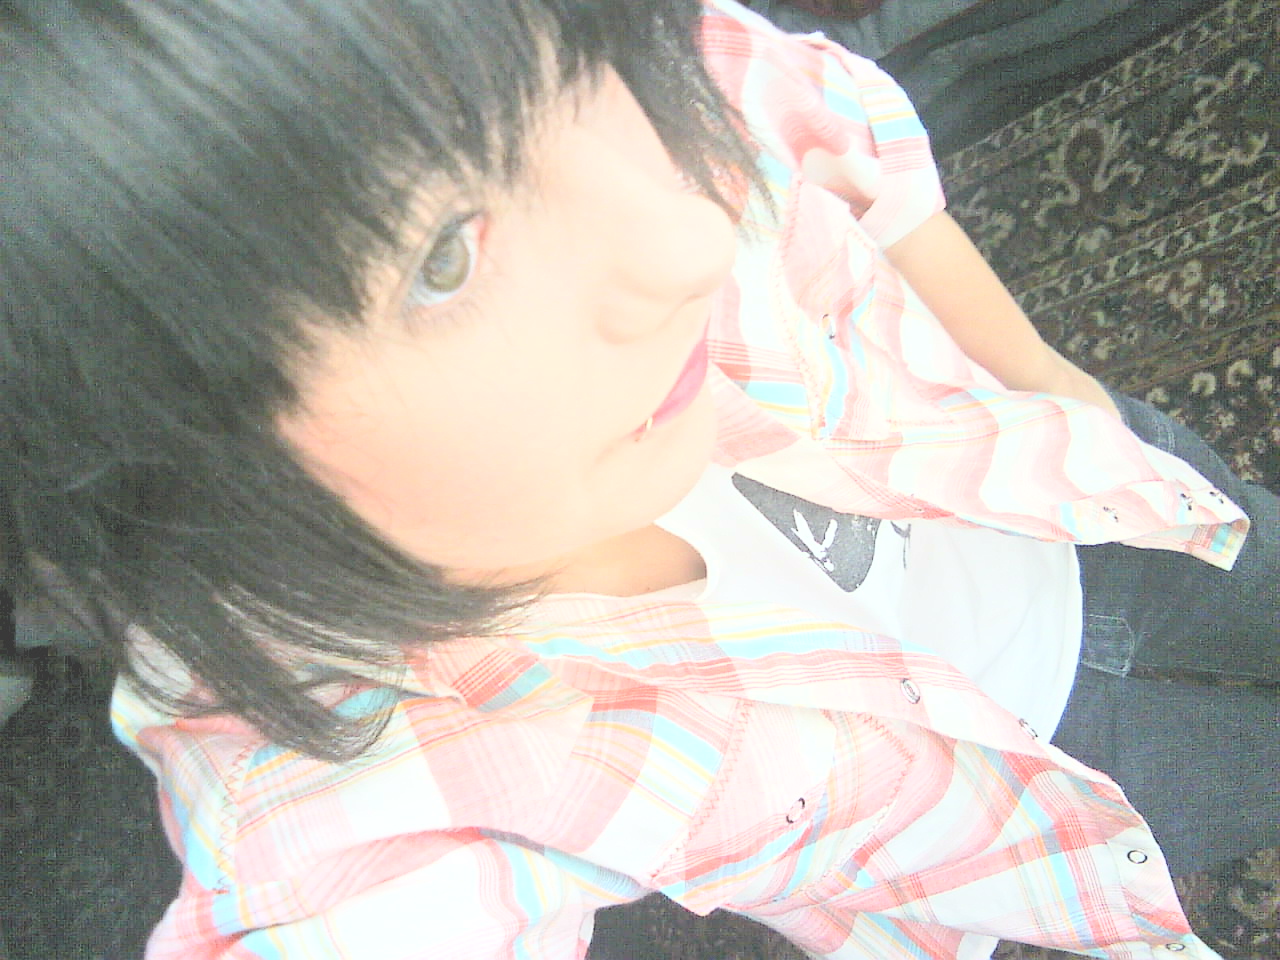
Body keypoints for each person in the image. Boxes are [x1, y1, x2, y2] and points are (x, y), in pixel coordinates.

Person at [2, 1, 1275, 958]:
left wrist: (1040, 375)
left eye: (581, 80)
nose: (694, 239)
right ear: (168, 470)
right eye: (442, 259)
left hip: (1089, 495)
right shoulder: (362, 785)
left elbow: (816, 114)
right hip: (1056, 774)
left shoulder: (670, 107)